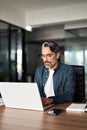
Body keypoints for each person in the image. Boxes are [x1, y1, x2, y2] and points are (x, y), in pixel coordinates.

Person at [34, 41, 75, 105]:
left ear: (57, 55)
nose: (45, 59)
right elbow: (35, 93)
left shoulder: (68, 70)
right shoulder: (39, 71)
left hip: (61, 106)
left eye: (49, 56)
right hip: (43, 106)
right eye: (43, 56)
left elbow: (69, 95)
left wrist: (50, 100)